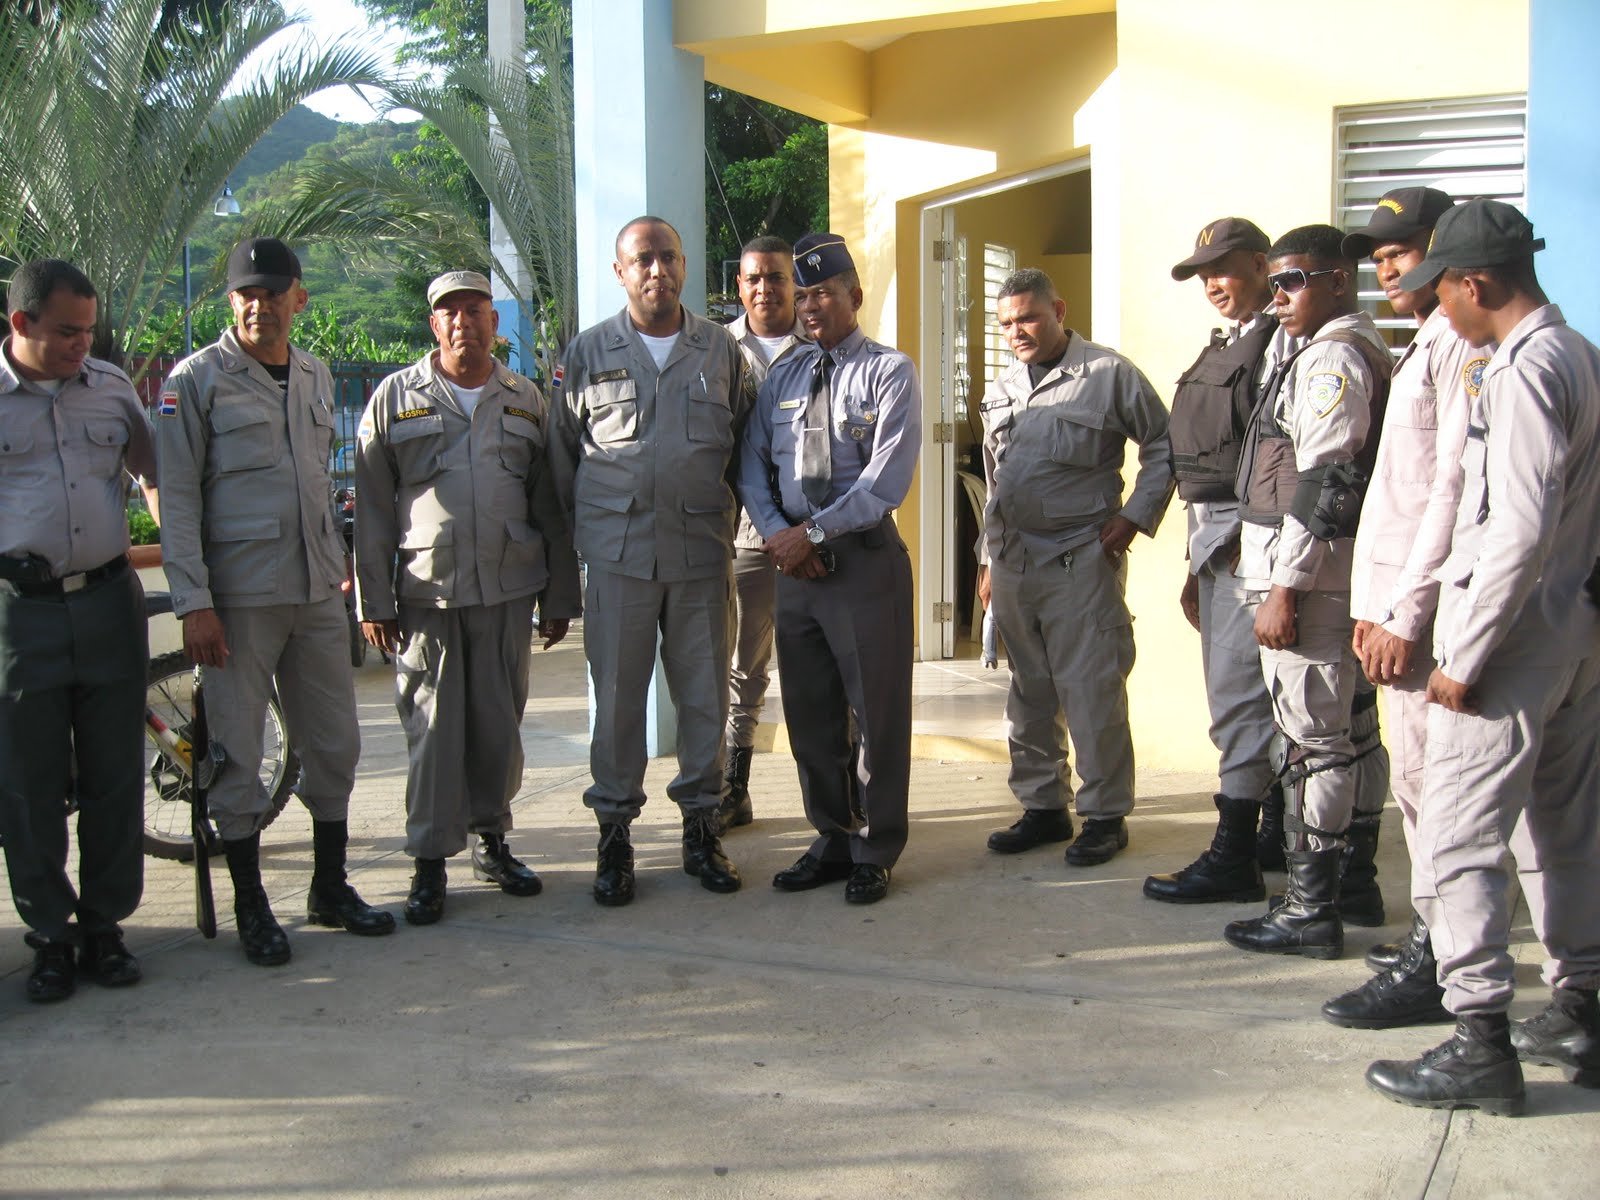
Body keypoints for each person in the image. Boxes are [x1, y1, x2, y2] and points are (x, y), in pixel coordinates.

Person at [1366, 200, 1600, 1115]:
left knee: (1460, 840)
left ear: (1478, 284)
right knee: (1561, 832)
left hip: (1506, 644)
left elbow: (1515, 526)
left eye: (1442, 292)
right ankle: (1580, 1005)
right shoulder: (1577, 352)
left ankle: (1479, 1041)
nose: (1437, 312)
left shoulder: (1521, 369)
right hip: (1568, 639)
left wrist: (1461, 654)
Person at [155, 236, 394, 966]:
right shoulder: (194, 382)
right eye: (245, 294)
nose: (259, 305)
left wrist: (346, 572)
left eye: (272, 292)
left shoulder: (318, 376)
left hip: (317, 589)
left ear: (299, 298)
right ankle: (252, 906)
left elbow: (322, 487)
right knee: (238, 753)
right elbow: (180, 502)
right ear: (230, 301)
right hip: (238, 601)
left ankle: (329, 885)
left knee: (335, 741)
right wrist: (193, 601)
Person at [354, 270, 581, 925]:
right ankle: (429, 862)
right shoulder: (395, 399)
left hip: (509, 591)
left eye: (475, 311)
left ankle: (493, 843)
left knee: (498, 729)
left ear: (493, 322)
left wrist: (559, 595)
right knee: (432, 734)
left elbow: (551, 505)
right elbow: (372, 508)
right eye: (449, 313)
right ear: (434, 325)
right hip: (427, 595)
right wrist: (375, 600)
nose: (463, 323)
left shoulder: (525, 399)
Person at [547, 216, 750, 906]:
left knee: (704, 700)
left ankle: (702, 828)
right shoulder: (587, 352)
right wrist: (579, 552)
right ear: (620, 272)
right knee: (619, 704)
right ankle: (615, 837)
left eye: (668, 257)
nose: (656, 270)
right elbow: (560, 461)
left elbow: (746, 450)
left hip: (699, 556)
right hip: (619, 560)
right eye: (642, 260)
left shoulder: (720, 351)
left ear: (685, 265)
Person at [1321, 188, 1477, 1029]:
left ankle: (1440, 962)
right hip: (1393, 603)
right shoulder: (1426, 342)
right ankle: (1435, 934)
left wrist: (1404, 614)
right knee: (1419, 790)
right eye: (1377, 259)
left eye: (1401, 253)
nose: (1387, 271)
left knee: (1432, 789)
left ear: (1447, 254)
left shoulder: (1463, 349)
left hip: (1424, 616)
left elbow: (1452, 497)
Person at [1223, 225, 1391, 961]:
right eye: (1278, 281)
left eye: (1295, 281)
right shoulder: (1324, 348)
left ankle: (1310, 907)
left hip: (1313, 578)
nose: (1280, 294)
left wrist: (1285, 587)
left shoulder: (1333, 358)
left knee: (1313, 743)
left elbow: (1328, 480)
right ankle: (1352, 882)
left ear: (1338, 281)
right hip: (1329, 573)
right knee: (1350, 733)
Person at [739, 233, 920, 904]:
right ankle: (833, 836)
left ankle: (877, 847)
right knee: (811, 717)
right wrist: (778, 535)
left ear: (855, 296)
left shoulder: (889, 371)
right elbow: (752, 466)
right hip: (795, 573)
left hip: (863, 567)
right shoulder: (783, 375)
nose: (811, 306)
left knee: (876, 716)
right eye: (803, 293)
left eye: (824, 293)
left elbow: (884, 483)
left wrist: (809, 533)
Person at [976, 268, 1173, 869]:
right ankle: (1043, 806)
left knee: (1090, 690)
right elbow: (995, 478)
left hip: (1080, 558)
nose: (1018, 331)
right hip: (1014, 561)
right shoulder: (1001, 386)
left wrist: (1135, 517)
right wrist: (986, 559)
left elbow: (1165, 445)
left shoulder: (1108, 375)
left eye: (1029, 317)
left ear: (1058, 309)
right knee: (1028, 692)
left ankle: (1106, 816)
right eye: (1006, 322)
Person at [0, 259, 154, 1002]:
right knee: (27, 783)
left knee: (114, 775)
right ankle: (50, 935)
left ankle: (104, 925)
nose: (80, 346)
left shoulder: (111, 388)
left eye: (89, 331)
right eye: (67, 331)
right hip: (19, 616)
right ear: (21, 323)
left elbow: (155, 474)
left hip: (106, 602)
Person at [1144, 218, 1288, 906]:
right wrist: (1193, 562)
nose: (1212, 283)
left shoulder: (1283, 344)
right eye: (1203, 273)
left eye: (1224, 268)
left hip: (1250, 546)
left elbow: (1279, 460)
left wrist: (1236, 548)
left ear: (1262, 265)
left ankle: (1235, 857)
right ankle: (1275, 837)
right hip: (1219, 543)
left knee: (1241, 702)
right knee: (1257, 702)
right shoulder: (1233, 344)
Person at [717, 236, 808, 832]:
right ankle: (734, 787)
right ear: (740, 286)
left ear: (794, 285)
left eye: (776, 277)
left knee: (822, 667)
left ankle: (839, 792)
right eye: (753, 278)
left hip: (815, 535)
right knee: (744, 668)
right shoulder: (714, 348)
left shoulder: (824, 343)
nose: (764, 288)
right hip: (745, 534)